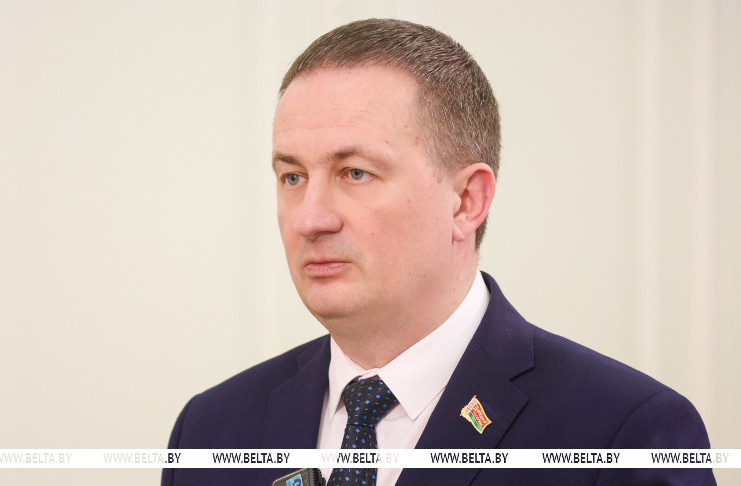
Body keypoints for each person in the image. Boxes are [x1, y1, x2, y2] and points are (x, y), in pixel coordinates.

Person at [162, 18, 715, 486]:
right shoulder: (211, 430)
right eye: (292, 177)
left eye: (355, 172)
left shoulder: (624, 434)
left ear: (466, 201)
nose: (310, 218)